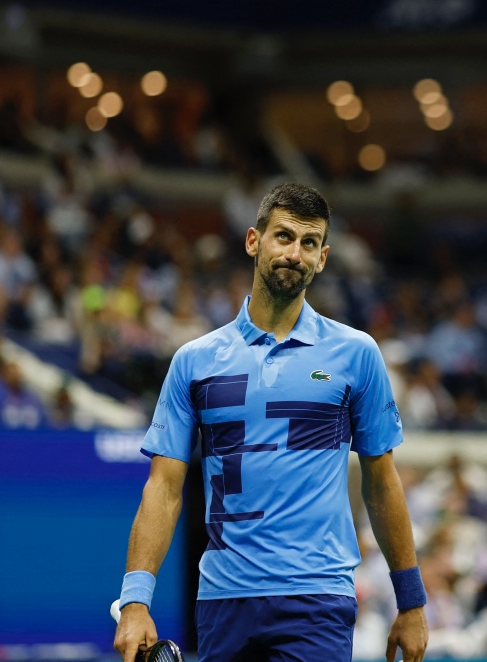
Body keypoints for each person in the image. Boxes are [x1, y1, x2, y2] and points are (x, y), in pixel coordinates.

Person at [113, 184, 428, 662]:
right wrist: (136, 600)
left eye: (308, 243)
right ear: (252, 241)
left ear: (322, 259)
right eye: (283, 236)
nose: (294, 252)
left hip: (317, 598)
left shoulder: (357, 354)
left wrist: (412, 601)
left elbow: (381, 484)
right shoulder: (193, 362)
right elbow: (164, 488)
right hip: (222, 600)